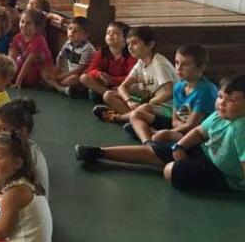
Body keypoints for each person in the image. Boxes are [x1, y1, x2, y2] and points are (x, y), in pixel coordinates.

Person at [76, 45, 219, 167]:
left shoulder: (206, 90)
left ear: (201, 67)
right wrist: (167, 131)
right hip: (179, 127)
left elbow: (192, 127)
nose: (179, 68)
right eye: (176, 63)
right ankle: (148, 141)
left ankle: (105, 150)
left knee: (154, 135)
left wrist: (165, 133)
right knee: (136, 115)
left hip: (194, 136)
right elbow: (175, 118)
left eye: (185, 64)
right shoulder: (179, 87)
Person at [161, 74, 245, 192]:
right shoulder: (220, 114)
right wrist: (179, 147)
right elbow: (199, 132)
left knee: (170, 170)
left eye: (231, 100)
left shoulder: (241, 127)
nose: (222, 103)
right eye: (220, 96)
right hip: (207, 153)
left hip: (224, 176)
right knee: (166, 149)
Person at [93, 26, 176, 124]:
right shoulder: (141, 62)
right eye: (128, 44)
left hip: (168, 108)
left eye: (135, 43)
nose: (130, 48)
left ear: (150, 44)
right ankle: (136, 120)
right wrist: (129, 101)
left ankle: (119, 117)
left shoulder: (159, 64)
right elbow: (122, 87)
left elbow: (169, 92)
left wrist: (151, 102)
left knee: (145, 107)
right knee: (109, 95)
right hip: (148, 103)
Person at [79, 21, 137, 103]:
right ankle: (107, 94)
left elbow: (132, 76)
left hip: (120, 85)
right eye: (108, 32)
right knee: (84, 77)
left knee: (134, 86)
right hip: (104, 83)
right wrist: (98, 74)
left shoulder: (130, 54)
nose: (110, 35)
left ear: (125, 38)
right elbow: (91, 69)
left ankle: (107, 96)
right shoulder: (102, 52)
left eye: (116, 33)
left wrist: (112, 79)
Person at [41, 17, 96, 96]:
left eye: (76, 31)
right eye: (70, 28)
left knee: (74, 79)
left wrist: (59, 77)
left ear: (86, 35)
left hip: (78, 74)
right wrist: (58, 68)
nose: (71, 32)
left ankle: (55, 84)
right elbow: (60, 57)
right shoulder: (68, 43)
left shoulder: (87, 49)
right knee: (44, 70)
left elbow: (79, 70)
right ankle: (61, 88)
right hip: (67, 72)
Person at [9, 9, 52, 89]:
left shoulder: (38, 40)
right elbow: (12, 57)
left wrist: (18, 81)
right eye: (22, 22)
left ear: (37, 26)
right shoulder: (17, 37)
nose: (24, 25)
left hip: (37, 67)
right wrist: (8, 77)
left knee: (29, 77)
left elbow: (28, 62)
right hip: (23, 64)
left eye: (28, 23)